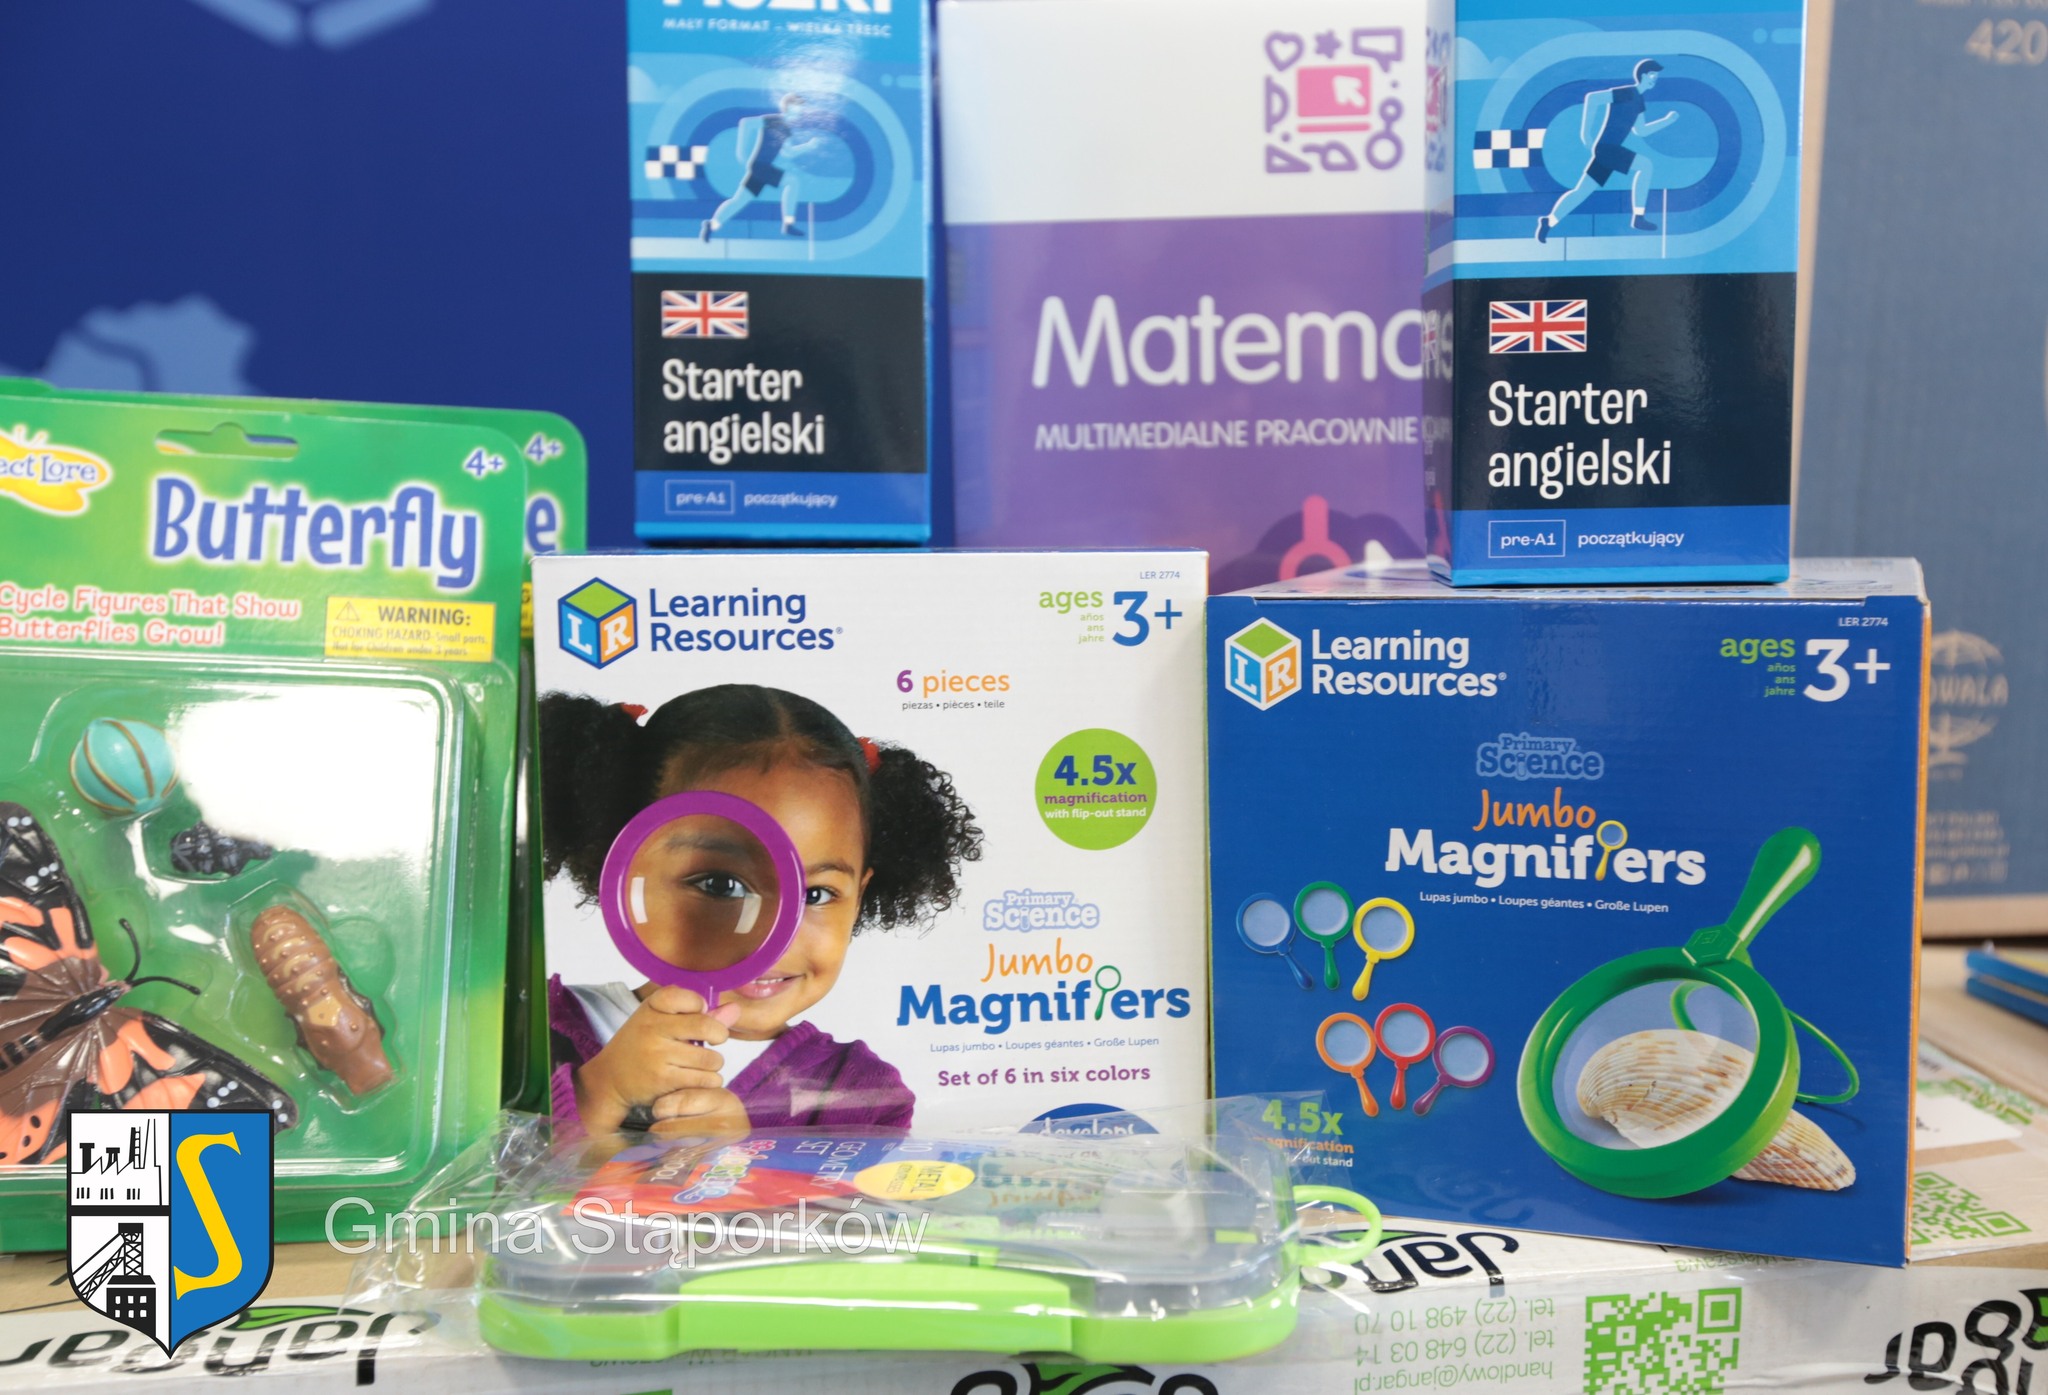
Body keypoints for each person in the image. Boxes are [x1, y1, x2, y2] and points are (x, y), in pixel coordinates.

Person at [540, 684, 982, 1135]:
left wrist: (742, 1161)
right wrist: (596, 1096)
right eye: (721, 885)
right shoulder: (534, 1034)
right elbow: (505, 1172)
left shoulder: (858, 1097)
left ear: (859, 899)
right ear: (620, 875)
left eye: (815, 895)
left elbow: (867, 1185)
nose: (774, 937)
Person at [1536, 59, 1678, 242]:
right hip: (1607, 148)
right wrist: (1586, 134)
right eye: (1652, 75)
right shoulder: (1627, 92)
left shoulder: (1639, 100)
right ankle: (1638, 217)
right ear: (1642, 75)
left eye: (1656, 76)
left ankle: (1549, 221)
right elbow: (1593, 98)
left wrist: (1667, 121)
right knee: (1646, 165)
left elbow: (1640, 130)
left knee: (1581, 191)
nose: (1654, 79)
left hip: (1607, 151)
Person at [700, 93, 826, 242]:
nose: (801, 111)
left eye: (801, 108)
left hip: (762, 167)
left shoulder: (786, 129)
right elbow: (746, 123)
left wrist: (808, 146)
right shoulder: (774, 120)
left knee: (739, 200)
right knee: (792, 182)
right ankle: (788, 224)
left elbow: (788, 152)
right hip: (760, 166)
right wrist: (741, 153)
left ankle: (712, 225)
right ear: (789, 107)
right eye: (798, 107)